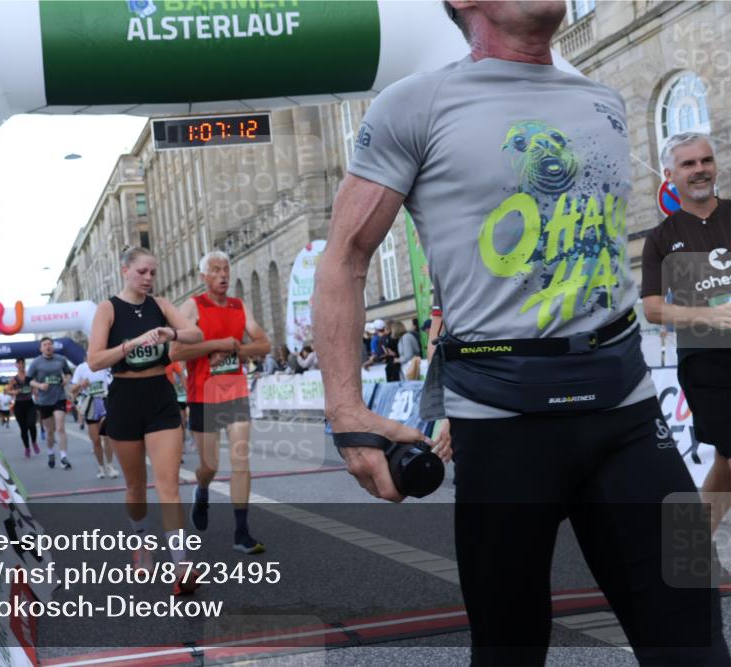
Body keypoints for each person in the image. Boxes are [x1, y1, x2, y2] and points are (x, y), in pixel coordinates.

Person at [312, 2, 728, 664]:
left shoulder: (603, 101)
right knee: (509, 648)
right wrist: (345, 408)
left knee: (699, 629)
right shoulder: (412, 105)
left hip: (629, 415)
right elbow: (344, 258)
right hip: (500, 430)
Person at [86, 246, 204, 594]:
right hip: (124, 400)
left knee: (167, 483)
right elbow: (94, 361)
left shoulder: (162, 306)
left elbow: (196, 334)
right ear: (125, 270)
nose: (149, 278)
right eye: (142, 272)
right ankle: (140, 542)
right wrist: (131, 344)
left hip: (160, 397)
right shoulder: (108, 309)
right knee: (136, 486)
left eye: (153, 272)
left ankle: (181, 564)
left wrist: (173, 334)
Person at [641, 132, 731, 530]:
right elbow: (653, 308)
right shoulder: (660, 238)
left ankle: (690, 546)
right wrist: (711, 317)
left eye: (705, 161)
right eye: (688, 164)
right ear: (669, 175)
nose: (700, 170)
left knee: (726, 463)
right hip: (706, 361)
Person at [171, 250, 271, 555]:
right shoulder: (193, 306)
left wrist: (236, 351)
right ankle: (202, 489)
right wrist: (214, 345)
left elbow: (264, 344)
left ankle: (241, 532)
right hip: (203, 395)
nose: (223, 275)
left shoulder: (239, 306)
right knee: (210, 465)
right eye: (215, 270)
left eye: (226, 269)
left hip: (235, 391)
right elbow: (175, 353)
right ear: (204, 277)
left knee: (241, 460)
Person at [28, 337, 73, 469]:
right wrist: (40, 385)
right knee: (50, 431)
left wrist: (66, 380)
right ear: (41, 348)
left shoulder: (60, 359)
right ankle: (50, 453)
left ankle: (64, 457)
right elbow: (28, 380)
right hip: (44, 400)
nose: (48, 346)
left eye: (50, 344)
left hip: (59, 397)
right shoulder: (36, 362)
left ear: (53, 347)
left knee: (60, 428)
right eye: (45, 345)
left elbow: (68, 373)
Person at [70, 360, 117, 479]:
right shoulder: (81, 368)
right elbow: (72, 389)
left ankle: (110, 466)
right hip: (90, 404)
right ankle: (101, 467)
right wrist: (81, 385)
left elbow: (113, 382)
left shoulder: (105, 365)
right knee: (96, 440)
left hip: (105, 402)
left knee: (106, 436)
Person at [7, 358, 39, 458]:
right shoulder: (13, 379)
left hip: (30, 403)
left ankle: (34, 442)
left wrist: (36, 393)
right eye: (19, 363)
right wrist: (14, 392)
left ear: (25, 365)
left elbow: (35, 389)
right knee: (23, 428)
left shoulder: (30, 377)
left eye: (23, 363)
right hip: (19, 405)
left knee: (31, 424)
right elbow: (7, 391)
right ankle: (27, 448)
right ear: (16, 365)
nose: (21, 365)